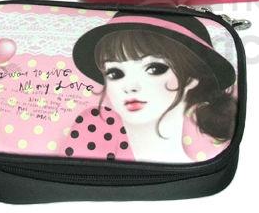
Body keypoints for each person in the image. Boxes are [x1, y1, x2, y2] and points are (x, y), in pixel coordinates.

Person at [65, 11, 238, 163]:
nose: (130, 87)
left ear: (192, 78)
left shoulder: (207, 153)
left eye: (154, 69)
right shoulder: (93, 129)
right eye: (115, 73)